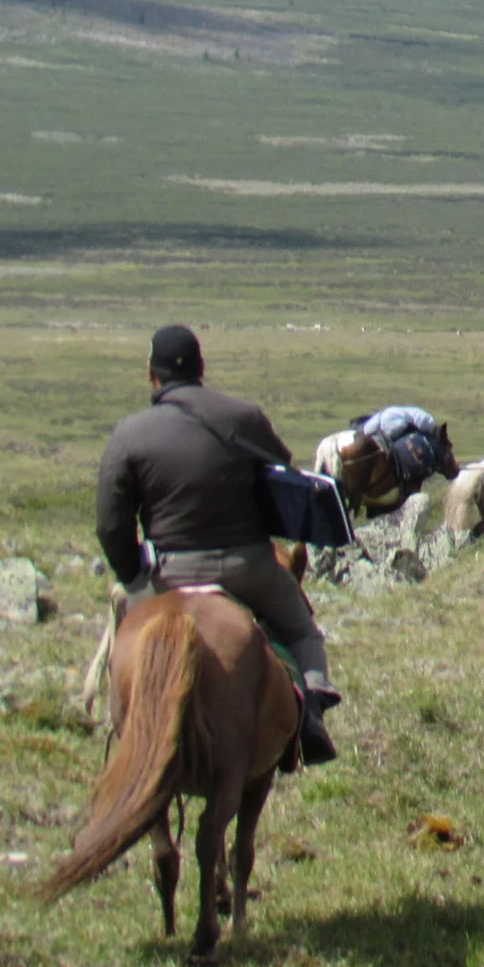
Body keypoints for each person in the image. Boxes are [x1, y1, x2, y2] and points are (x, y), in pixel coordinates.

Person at [96, 324, 338, 765]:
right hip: (248, 566)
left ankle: (121, 723)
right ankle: (313, 717)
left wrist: (132, 573)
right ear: (201, 369)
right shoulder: (243, 417)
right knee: (301, 627)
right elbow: (282, 472)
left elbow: (110, 522)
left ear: (151, 373)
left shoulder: (129, 434)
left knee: (124, 631)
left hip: (171, 573)